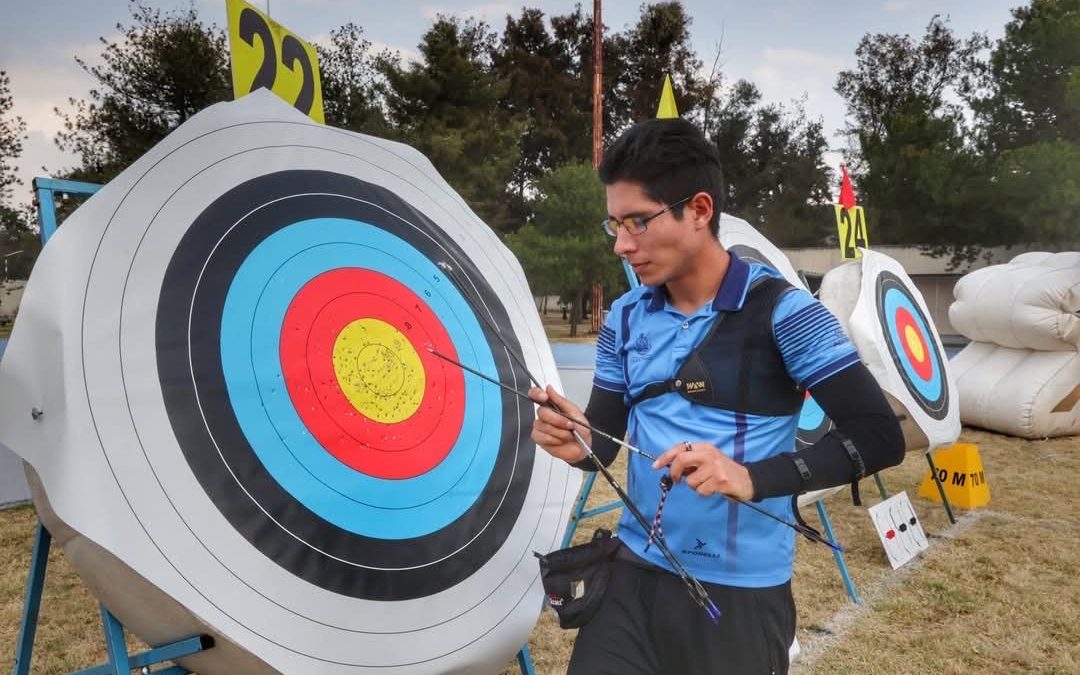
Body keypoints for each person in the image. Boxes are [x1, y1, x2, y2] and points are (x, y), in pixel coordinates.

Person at [529, 118, 904, 675]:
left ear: (699, 210)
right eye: (614, 224)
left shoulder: (785, 312)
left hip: (739, 593)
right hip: (632, 574)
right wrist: (575, 436)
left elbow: (879, 436)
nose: (623, 245)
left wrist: (752, 478)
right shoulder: (626, 317)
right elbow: (602, 446)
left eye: (638, 222)